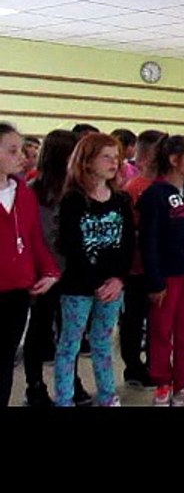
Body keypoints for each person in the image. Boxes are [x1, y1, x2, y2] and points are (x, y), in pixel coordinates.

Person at [54, 133, 135, 406]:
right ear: (87, 162)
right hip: (78, 286)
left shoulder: (121, 200)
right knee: (70, 344)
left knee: (103, 343)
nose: (114, 163)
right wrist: (95, 283)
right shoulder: (73, 200)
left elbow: (128, 244)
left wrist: (119, 279)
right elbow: (70, 246)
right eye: (106, 157)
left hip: (113, 286)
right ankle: (64, 399)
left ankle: (107, 394)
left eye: (117, 157)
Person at [139, 135, 184, 406]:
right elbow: (148, 241)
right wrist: (155, 281)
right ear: (173, 160)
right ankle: (162, 382)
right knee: (161, 330)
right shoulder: (154, 195)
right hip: (166, 278)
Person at [22, 129, 89, 407]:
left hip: (72, 272)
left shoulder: (77, 190)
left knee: (70, 332)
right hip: (43, 273)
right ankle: (34, 385)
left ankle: (71, 380)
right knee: (39, 331)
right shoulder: (31, 191)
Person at [0, 122, 59, 407]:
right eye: (12, 150)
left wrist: (50, 271)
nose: (22, 157)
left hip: (17, 291)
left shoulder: (23, 191)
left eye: (22, 150)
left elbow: (34, 236)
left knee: (5, 358)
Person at [119, 129, 166, 390]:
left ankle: (155, 363)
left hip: (162, 266)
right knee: (134, 320)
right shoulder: (133, 188)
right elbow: (130, 231)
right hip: (138, 268)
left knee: (158, 321)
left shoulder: (166, 186)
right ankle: (134, 367)